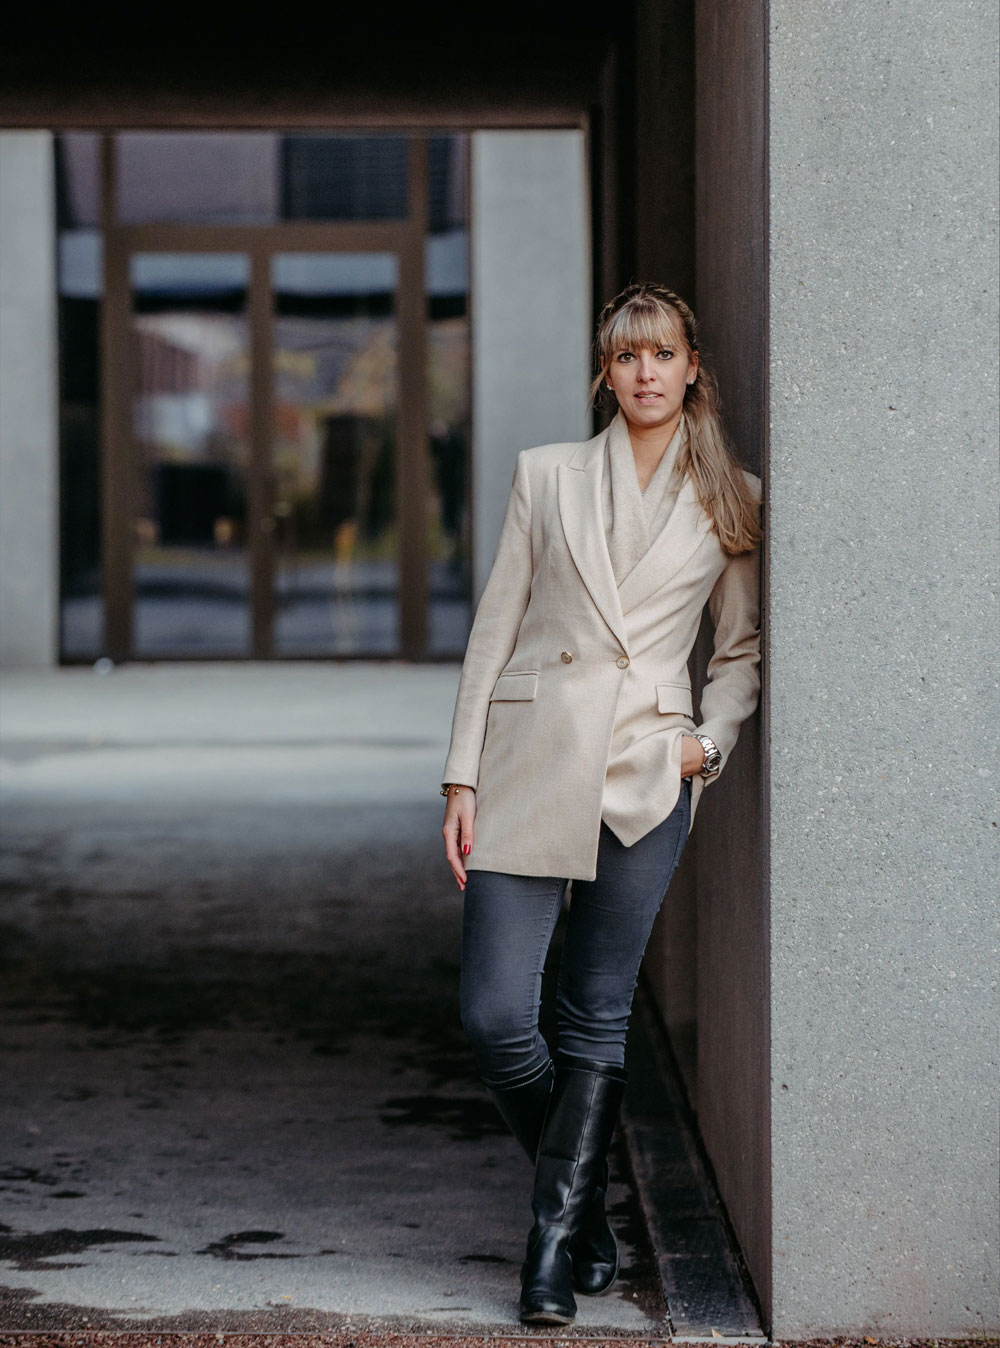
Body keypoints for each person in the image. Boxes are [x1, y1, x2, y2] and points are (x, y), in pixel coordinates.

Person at [440, 282, 762, 1326]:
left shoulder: (732, 496)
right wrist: (461, 773)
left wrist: (704, 743)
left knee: (594, 1012)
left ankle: (547, 1252)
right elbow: (494, 630)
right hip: (532, 755)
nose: (644, 373)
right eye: (625, 357)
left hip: (644, 769)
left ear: (691, 366)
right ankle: (583, 1219)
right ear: (605, 372)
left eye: (661, 353)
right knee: (496, 1014)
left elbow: (742, 650)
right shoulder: (547, 477)